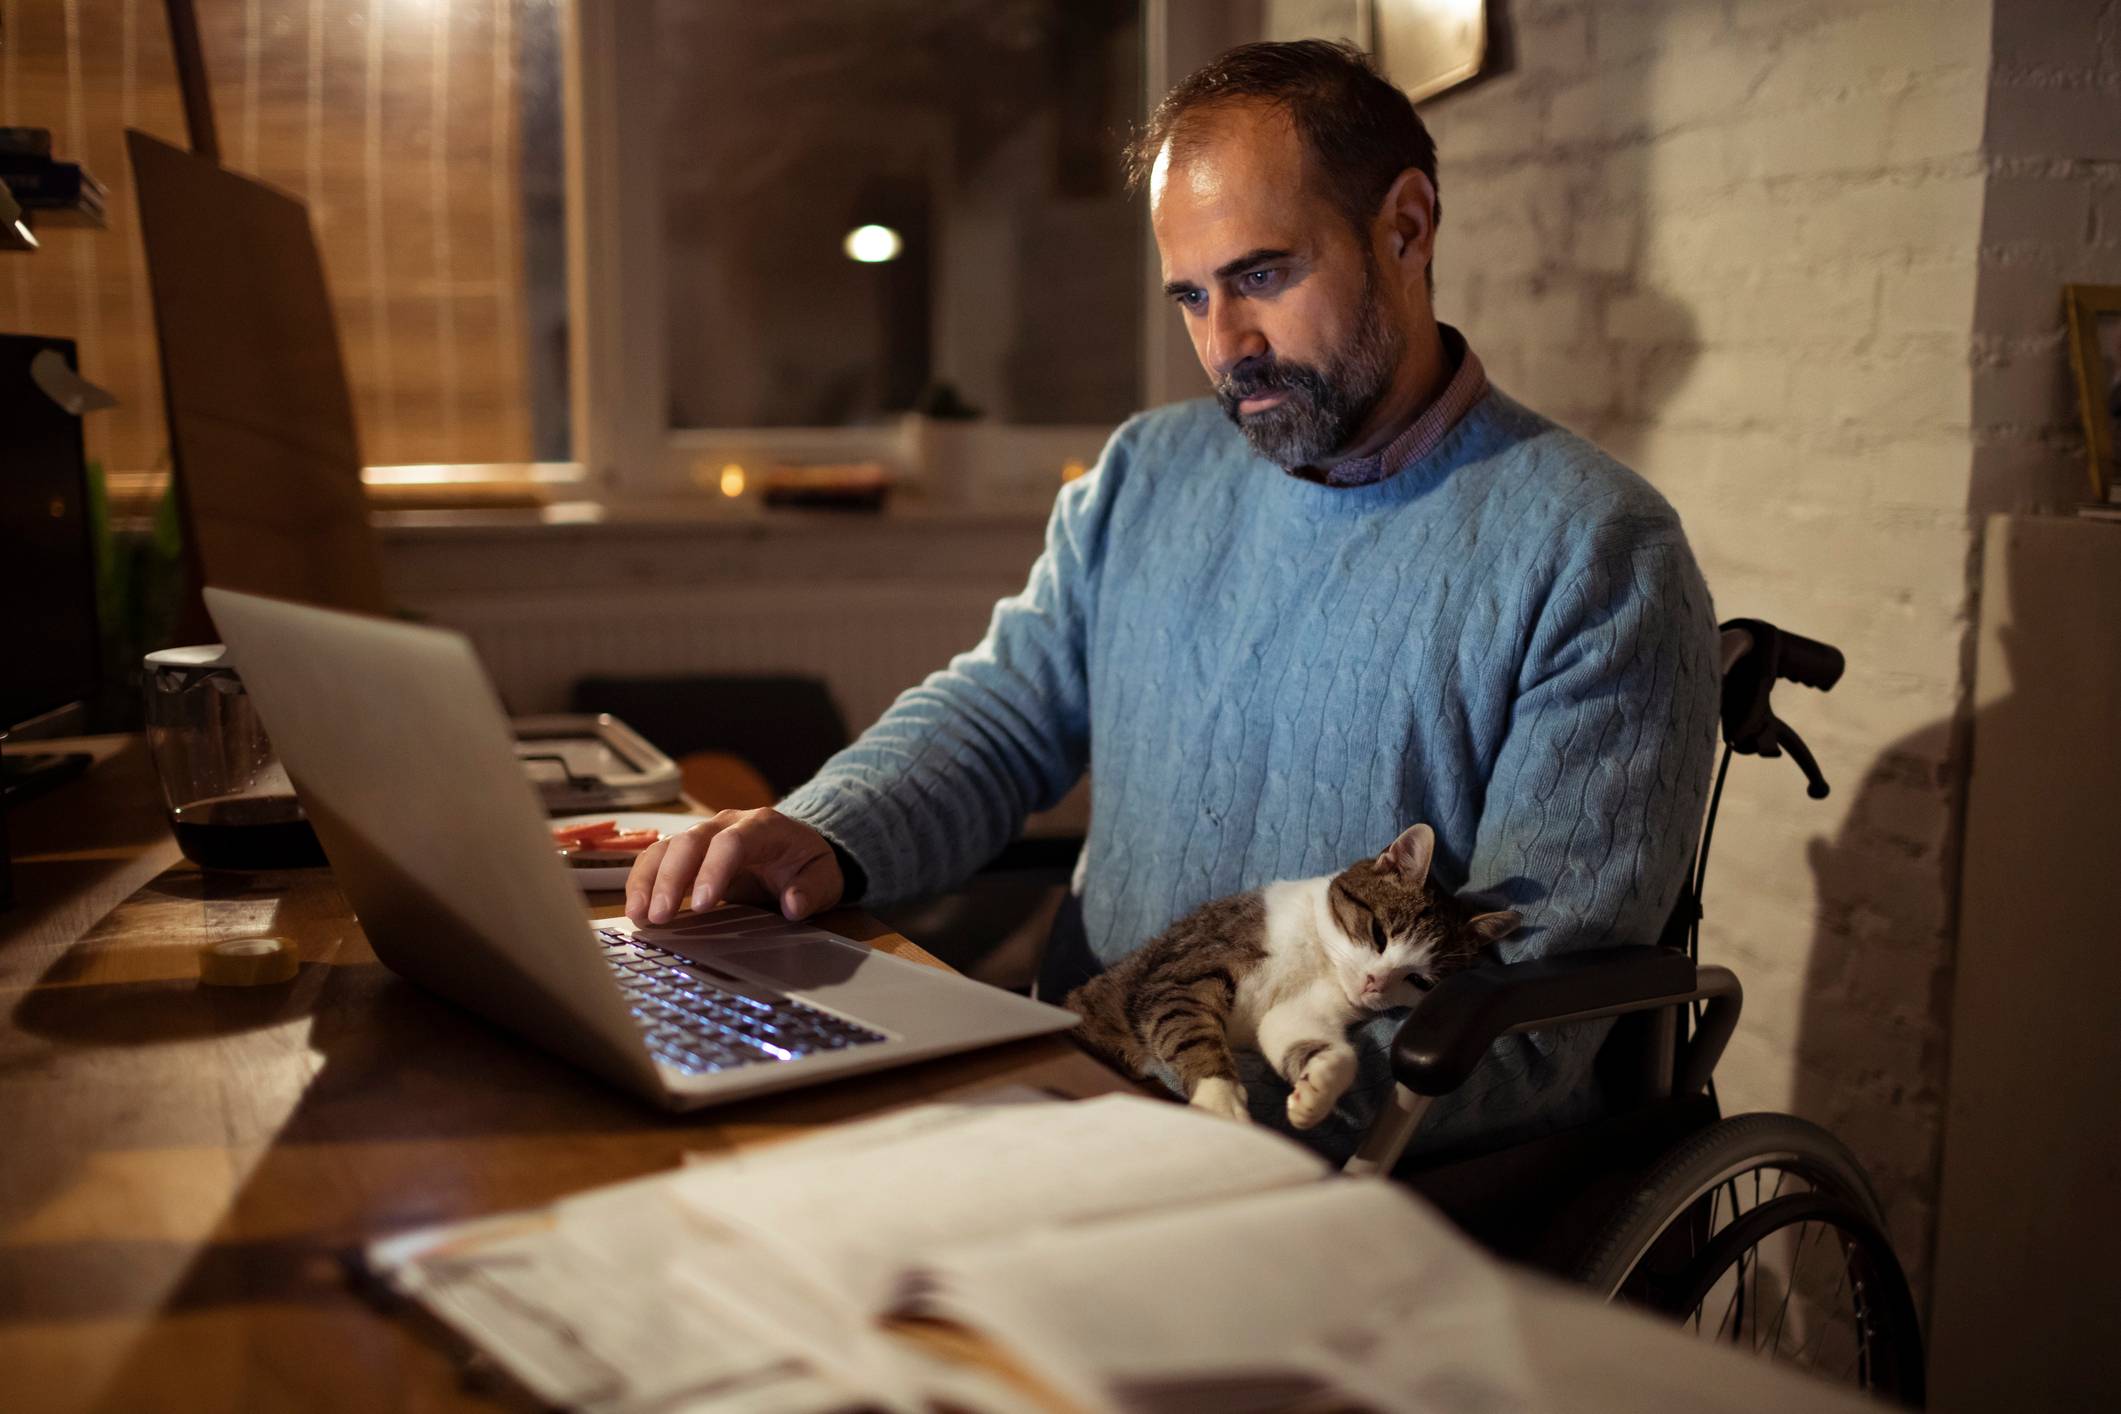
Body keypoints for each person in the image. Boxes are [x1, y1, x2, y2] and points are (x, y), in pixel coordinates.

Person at [627, 39, 1720, 1159]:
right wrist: (817, 834)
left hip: (1311, 1164)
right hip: (1076, 1076)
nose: (1224, 348)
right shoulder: (1147, 473)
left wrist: (1196, 1111)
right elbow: (1001, 719)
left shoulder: (1598, 552)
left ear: (1406, 227)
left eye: (1260, 276)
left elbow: (1530, 1027)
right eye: (1191, 296)